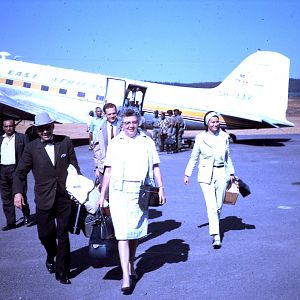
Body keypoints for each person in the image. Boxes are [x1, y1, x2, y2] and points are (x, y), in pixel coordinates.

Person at [98, 106, 166, 294]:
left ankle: (131, 265)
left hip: (140, 192)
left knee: (134, 233)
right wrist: (103, 195)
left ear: (138, 122)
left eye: (134, 122)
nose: (130, 126)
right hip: (119, 192)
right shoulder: (115, 142)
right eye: (126, 123)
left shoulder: (146, 141)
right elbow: (108, 170)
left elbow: (155, 166)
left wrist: (161, 188)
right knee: (122, 234)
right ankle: (126, 277)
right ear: (121, 123)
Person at [13, 112, 81, 284]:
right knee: (45, 235)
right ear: (37, 131)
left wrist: (80, 189)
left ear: (52, 127)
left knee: (63, 234)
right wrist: (18, 192)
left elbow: (75, 167)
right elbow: (20, 173)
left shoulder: (65, 142)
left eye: (47, 128)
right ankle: (52, 254)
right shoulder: (31, 148)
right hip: (44, 198)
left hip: (65, 197)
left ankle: (62, 271)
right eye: (41, 129)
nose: (45, 132)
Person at [183, 111, 235, 249]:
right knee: (211, 207)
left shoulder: (224, 136)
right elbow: (194, 157)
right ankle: (216, 236)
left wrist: (231, 172)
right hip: (205, 175)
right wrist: (187, 174)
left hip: (221, 173)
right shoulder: (200, 138)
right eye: (212, 122)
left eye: (217, 121)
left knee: (218, 206)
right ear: (207, 123)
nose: (215, 124)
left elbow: (227, 156)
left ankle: (214, 225)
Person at [0, 119, 31, 231]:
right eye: (6, 126)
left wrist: (23, 170)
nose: (9, 128)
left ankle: (26, 215)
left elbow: (28, 155)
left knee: (20, 194)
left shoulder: (22, 138)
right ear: (3, 127)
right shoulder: (1, 139)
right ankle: (11, 222)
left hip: (17, 170)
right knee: (6, 198)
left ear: (14, 126)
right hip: (3, 170)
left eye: (11, 126)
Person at [93, 103, 122, 198]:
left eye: (114, 113)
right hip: (104, 164)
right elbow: (97, 149)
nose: (112, 116)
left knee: (119, 192)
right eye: (109, 114)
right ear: (105, 115)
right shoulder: (100, 128)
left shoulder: (123, 126)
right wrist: (97, 167)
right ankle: (107, 211)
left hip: (120, 164)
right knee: (106, 193)